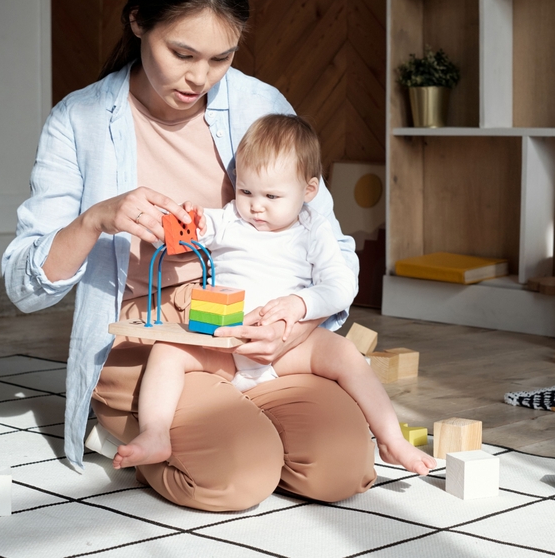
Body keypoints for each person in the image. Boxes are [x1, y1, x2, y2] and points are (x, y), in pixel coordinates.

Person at [3, 0, 378, 512]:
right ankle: (155, 424)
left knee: (341, 471)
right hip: (154, 339)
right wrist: (97, 218)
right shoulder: (78, 120)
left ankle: (239, 420)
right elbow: (24, 285)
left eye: (221, 57)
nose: (199, 77)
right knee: (236, 478)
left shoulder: (260, 104)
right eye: (181, 53)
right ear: (137, 22)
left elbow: (328, 243)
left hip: (250, 329)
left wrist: (292, 326)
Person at [115, 115, 437, 477]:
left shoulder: (313, 231)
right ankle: (155, 432)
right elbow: (198, 231)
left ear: (309, 191)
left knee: (346, 354)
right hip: (228, 344)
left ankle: (391, 438)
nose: (256, 206)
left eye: (272, 196)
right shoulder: (230, 220)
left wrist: (300, 304)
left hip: (288, 349)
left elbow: (340, 287)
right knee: (167, 351)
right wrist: (192, 222)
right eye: (246, 191)